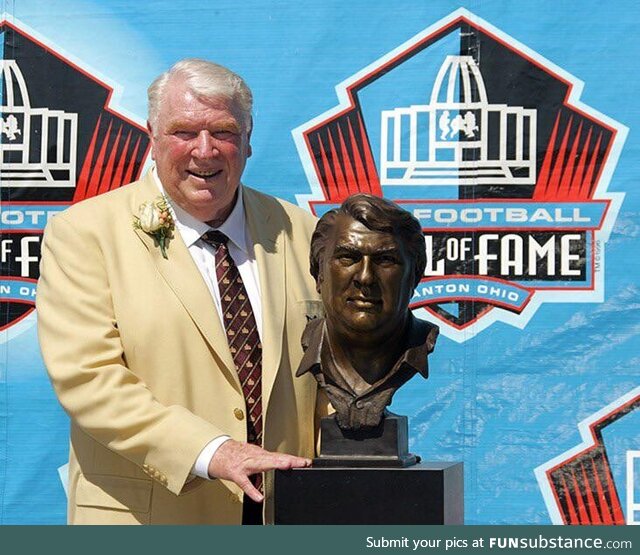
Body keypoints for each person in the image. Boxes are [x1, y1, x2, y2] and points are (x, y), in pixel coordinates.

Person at [36, 59, 327, 525]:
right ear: (152, 136)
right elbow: (88, 379)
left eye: (224, 132)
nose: (205, 151)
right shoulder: (84, 235)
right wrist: (214, 452)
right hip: (148, 518)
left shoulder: (304, 233)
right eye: (184, 132)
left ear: (249, 138)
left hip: (283, 513)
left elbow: (330, 374)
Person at [297, 194, 438, 431]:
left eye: (385, 260)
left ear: (414, 276)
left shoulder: (420, 342)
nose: (365, 277)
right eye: (347, 258)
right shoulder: (306, 343)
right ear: (319, 273)